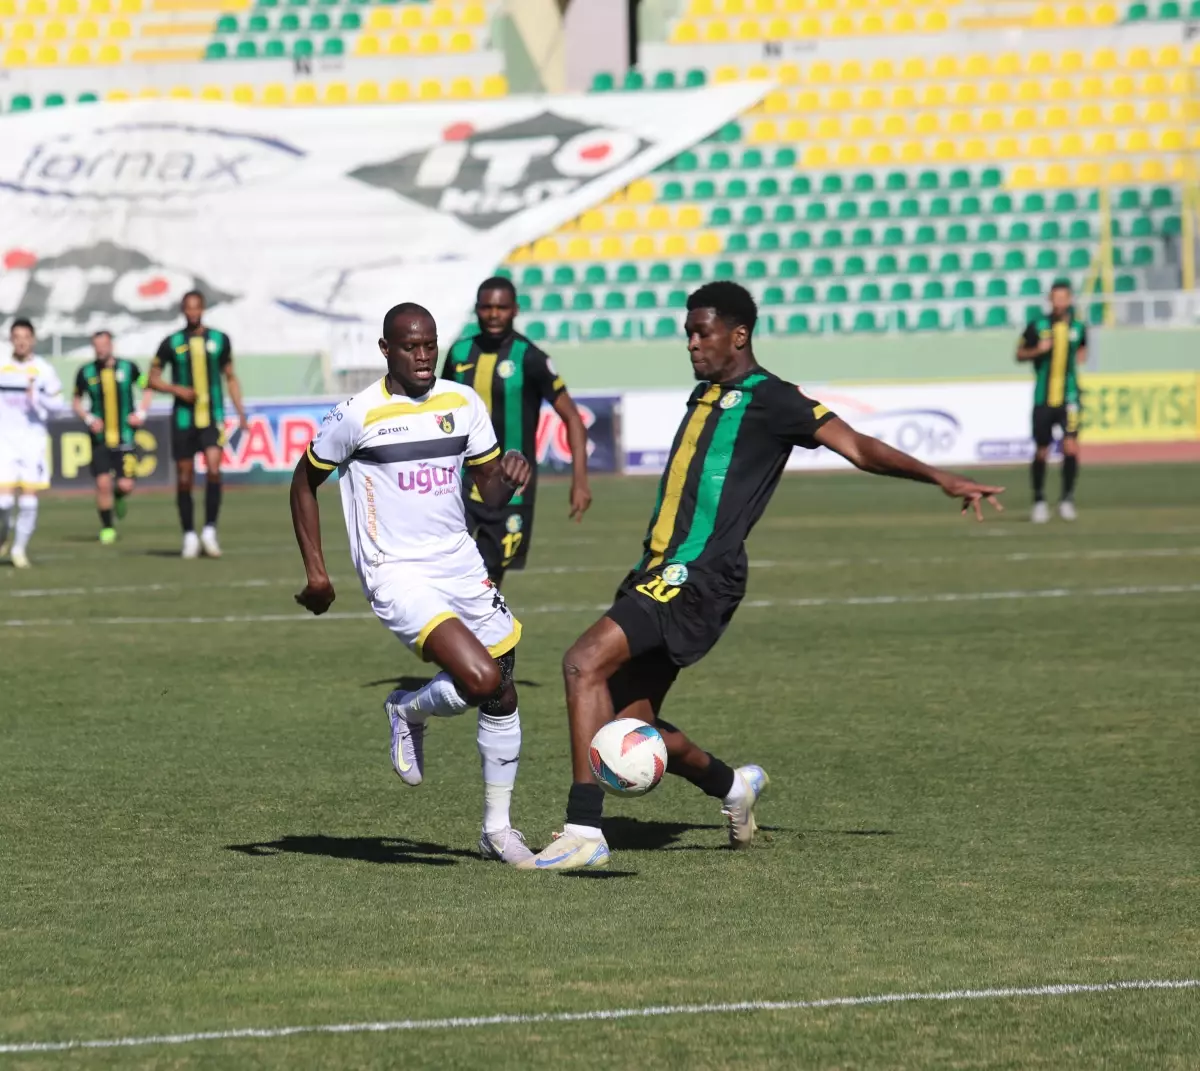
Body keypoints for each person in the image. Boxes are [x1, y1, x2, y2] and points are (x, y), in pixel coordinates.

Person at [518, 282, 1006, 871]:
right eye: (689, 334)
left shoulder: (773, 399)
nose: (693, 344)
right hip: (656, 569)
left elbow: (857, 445)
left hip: (697, 575)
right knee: (627, 726)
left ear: (739, 335)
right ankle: (732, 788)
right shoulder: (706, 393)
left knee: (581, 661)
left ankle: (584, 830)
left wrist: (941, 478)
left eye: (703, 333)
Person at [291, 302, 536, 865]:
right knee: (479, 678)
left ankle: (496, 831)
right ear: (385, 350)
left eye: (429, 345)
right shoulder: (357, 415)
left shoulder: (462, 402)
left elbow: (489, 494)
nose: (423, 357)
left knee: (503, 688)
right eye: (410, 347)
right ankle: (409, 709)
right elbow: (303, 484)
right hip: (396, 572)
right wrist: (317, 572)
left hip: (459, 561)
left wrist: (511, 478)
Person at [441, 276, 592, 587]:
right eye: (487, 307)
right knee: (446, 574)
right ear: (477, 310)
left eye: (502, 307)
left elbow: (573, 419)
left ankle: (482, 634)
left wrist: (579, 481)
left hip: (513, 487)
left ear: (515, 310)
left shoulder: (530, 357)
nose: (494, 314)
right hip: (461, 483)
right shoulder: (458, 354)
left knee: (487, 583)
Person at [148, 290, 247, 559]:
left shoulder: (219, 340)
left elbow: (230, 376)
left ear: (202, 309)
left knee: (214, 469)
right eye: (188, 308)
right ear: (183, 310)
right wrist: (177, 390)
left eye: (196, 308)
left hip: (212, 417)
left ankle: (210, 530)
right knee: (184, 477)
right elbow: (152, 379)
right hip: (182, 419)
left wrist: (240, 412)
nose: (192, 312)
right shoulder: (171, 342)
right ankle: (189, 534)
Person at [72, 331, 153, 544]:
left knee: (126, 485)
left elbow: (148, 388)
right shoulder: (86, 372)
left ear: (111, 346)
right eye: (96, 345)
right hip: (100, 439)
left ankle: (119, 497)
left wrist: (142, 413)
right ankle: (107, 527)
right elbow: (76, 401)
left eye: (104, 345)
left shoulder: (129, 368)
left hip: (125, 437)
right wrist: (89, 419)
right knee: (103, 484)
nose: (100, 349)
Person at [1016, 279, 1087, 524]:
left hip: (1070, 397)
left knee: (1071, 447)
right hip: (1043, 398)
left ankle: (1067, 499)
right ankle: (1039, 500)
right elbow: (1019, 353)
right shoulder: (1037, 326)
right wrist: (1038, 351)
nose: (1059, 303)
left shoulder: (1079, 326)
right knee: (1042, 450)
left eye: (1063, 298)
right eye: (1055, 298)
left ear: (1069, 300)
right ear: (1050, 300)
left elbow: (1082, 351)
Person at [0, 318, 62, 569]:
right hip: (4, 441)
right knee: (3, 502)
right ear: (11, 340)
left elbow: (57, 407)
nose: (21, 341)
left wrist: (38, 398)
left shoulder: (43, 370)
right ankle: (5, 530)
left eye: (26, 336)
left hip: (32, 442)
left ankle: (19, 550)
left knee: (28, 500)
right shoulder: (3, 366)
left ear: (33, 340)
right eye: (17, 337)